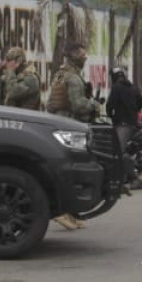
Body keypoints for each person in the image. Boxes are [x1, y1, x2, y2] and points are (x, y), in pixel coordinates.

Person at [45, 40, 98, 230]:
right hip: (70, 130)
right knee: (72, 173)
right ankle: (63, 212)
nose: (85, 58)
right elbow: (78, 105)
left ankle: (71, 214)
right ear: (75, 57)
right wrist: (95, 105)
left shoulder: (60, 75)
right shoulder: (73, 79)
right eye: (83, 55)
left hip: (58, 127)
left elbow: (51, 104)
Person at [0, 45, 43, 110]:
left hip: (25, 117)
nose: (6, 63)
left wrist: (10, 70)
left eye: (9, 60)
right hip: (10, 116)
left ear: (18, 61)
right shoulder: (12, 75)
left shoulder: (31, 78)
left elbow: (13, 92)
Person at [107, 65, 142, 152]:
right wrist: (134, 110)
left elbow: (110, 104)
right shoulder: (132, 87)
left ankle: (122, 165)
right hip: (133, 122)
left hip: (123, 124)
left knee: (118, 150)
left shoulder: (116, 87)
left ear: (114, 76)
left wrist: (110, 115)